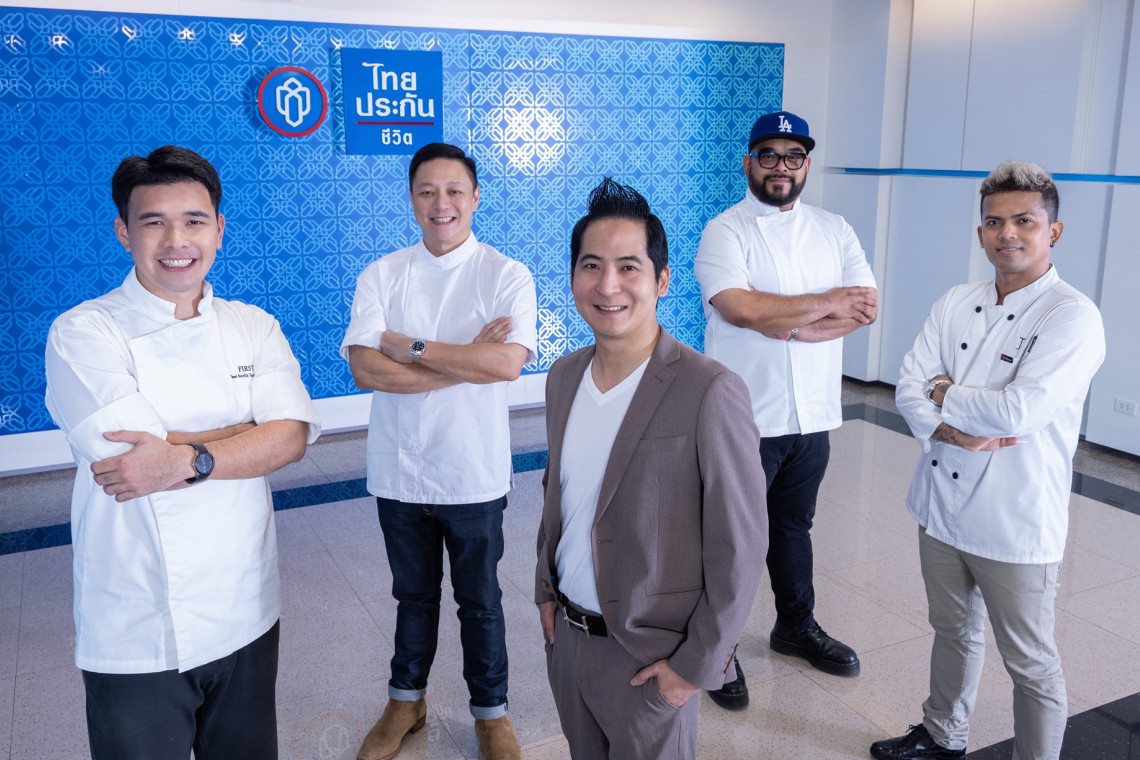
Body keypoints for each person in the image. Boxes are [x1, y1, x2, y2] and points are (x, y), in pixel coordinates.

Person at [43, 145, 322, 759]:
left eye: (194, 220)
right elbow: (132, 461)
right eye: (154, 222)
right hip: (137, 620)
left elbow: (292, 438)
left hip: (246, 605)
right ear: (124, 232)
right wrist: (249, 431)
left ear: (218, 228)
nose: (177, 240)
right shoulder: (83, 332)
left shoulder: (253, 325)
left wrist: (185, 455)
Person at [872, 161, 1105, 760]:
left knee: (1030, 663)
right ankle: (943, 734)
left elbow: (1018, 412)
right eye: (995, 222)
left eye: (1024, 221)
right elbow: (906, 385)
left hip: (1013, 520)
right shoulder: (957, 300)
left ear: (1053, 231)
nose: (1008, 234)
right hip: (939, 508)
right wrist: (947, 428)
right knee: (952, 631)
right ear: (980, 233)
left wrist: (944, 391)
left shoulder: (1071, 315)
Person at [535, 177, 768, 759]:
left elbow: (740, 546)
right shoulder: (563, 377)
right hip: (569, 641)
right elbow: (558, 495)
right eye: (591, 266)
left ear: (661, 280)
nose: (607, 285)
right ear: (573, 276)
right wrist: (545, 591)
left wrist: (694, 668)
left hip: (649, 659)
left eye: (628, 267)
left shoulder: (708, 390)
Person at [342, 142, 537, 760]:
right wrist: (464, 359)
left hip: (471, 470)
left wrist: (413, 348)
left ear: (475, 198)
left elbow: (505, 364)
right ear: (411, 200)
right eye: (427, 191)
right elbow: (366, 371)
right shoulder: (382, 274)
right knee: (412, 597)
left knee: (480, 602)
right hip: (398, 470)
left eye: (454, 190)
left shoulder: (506, 274)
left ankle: (492, 714)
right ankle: (406, 701)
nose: (441, 203)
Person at [693, 110, 878, 706]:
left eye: (793, 156)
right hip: (745, 416)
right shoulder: (725, 231)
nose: (781, 167)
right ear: (748, 162)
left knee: (794, 527)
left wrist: (787, 323)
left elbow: (864, 308)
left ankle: (795, 626)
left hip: (812, 415)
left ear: (806, 165)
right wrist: (823, 303)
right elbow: (739, 308)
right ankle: (717, 650)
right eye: (769, 155)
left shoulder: (834, 229)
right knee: (731, 539)